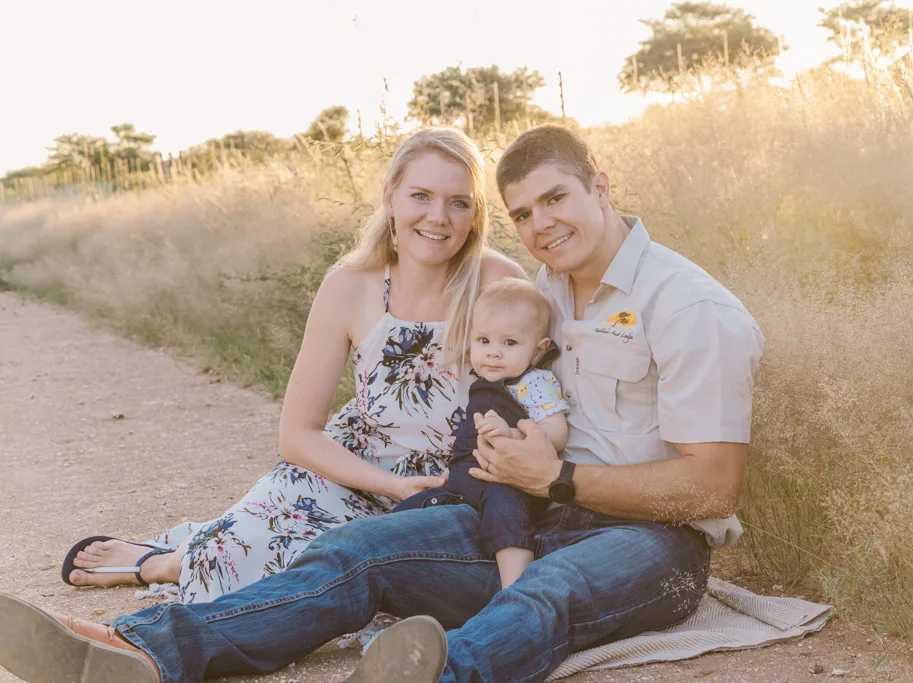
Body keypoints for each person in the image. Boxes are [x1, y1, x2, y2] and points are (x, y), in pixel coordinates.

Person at [0, 124, 764, 683]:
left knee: (544, 591)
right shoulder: (541, 293)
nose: (542, 225)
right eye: (524, 213)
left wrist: (556, 479)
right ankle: (139, 650)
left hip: (651, 541)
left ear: (602, 185)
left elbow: (710, 487)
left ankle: (434, 674)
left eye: (556, 199)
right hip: (527, 511)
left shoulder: (689, 306)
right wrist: (525, 485)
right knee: (356, 551)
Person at [57, 126, 526, 603]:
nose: (437, 217)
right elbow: (298, 434)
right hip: (353, 473)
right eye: (420, 196)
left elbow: (540, 391)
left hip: (453, 492)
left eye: (458, 202)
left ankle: (195, 550)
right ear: (390, 198)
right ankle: (165, 564)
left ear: (475, 214)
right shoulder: (350, 285)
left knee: (332, 581)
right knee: (244, 559)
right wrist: (390, 485)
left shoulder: (501, 283)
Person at [393, 278, 569, 588]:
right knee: (407, 511)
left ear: (538, 349)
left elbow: (557, 433)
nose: (493, 353)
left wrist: (514, 435)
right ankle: (393, 567)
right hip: (465, 480)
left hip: (509, 480)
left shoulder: (535, 382)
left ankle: (513, 589)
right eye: (483, 341)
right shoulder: (481, 379)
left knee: (506, 512)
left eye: (509, 343)